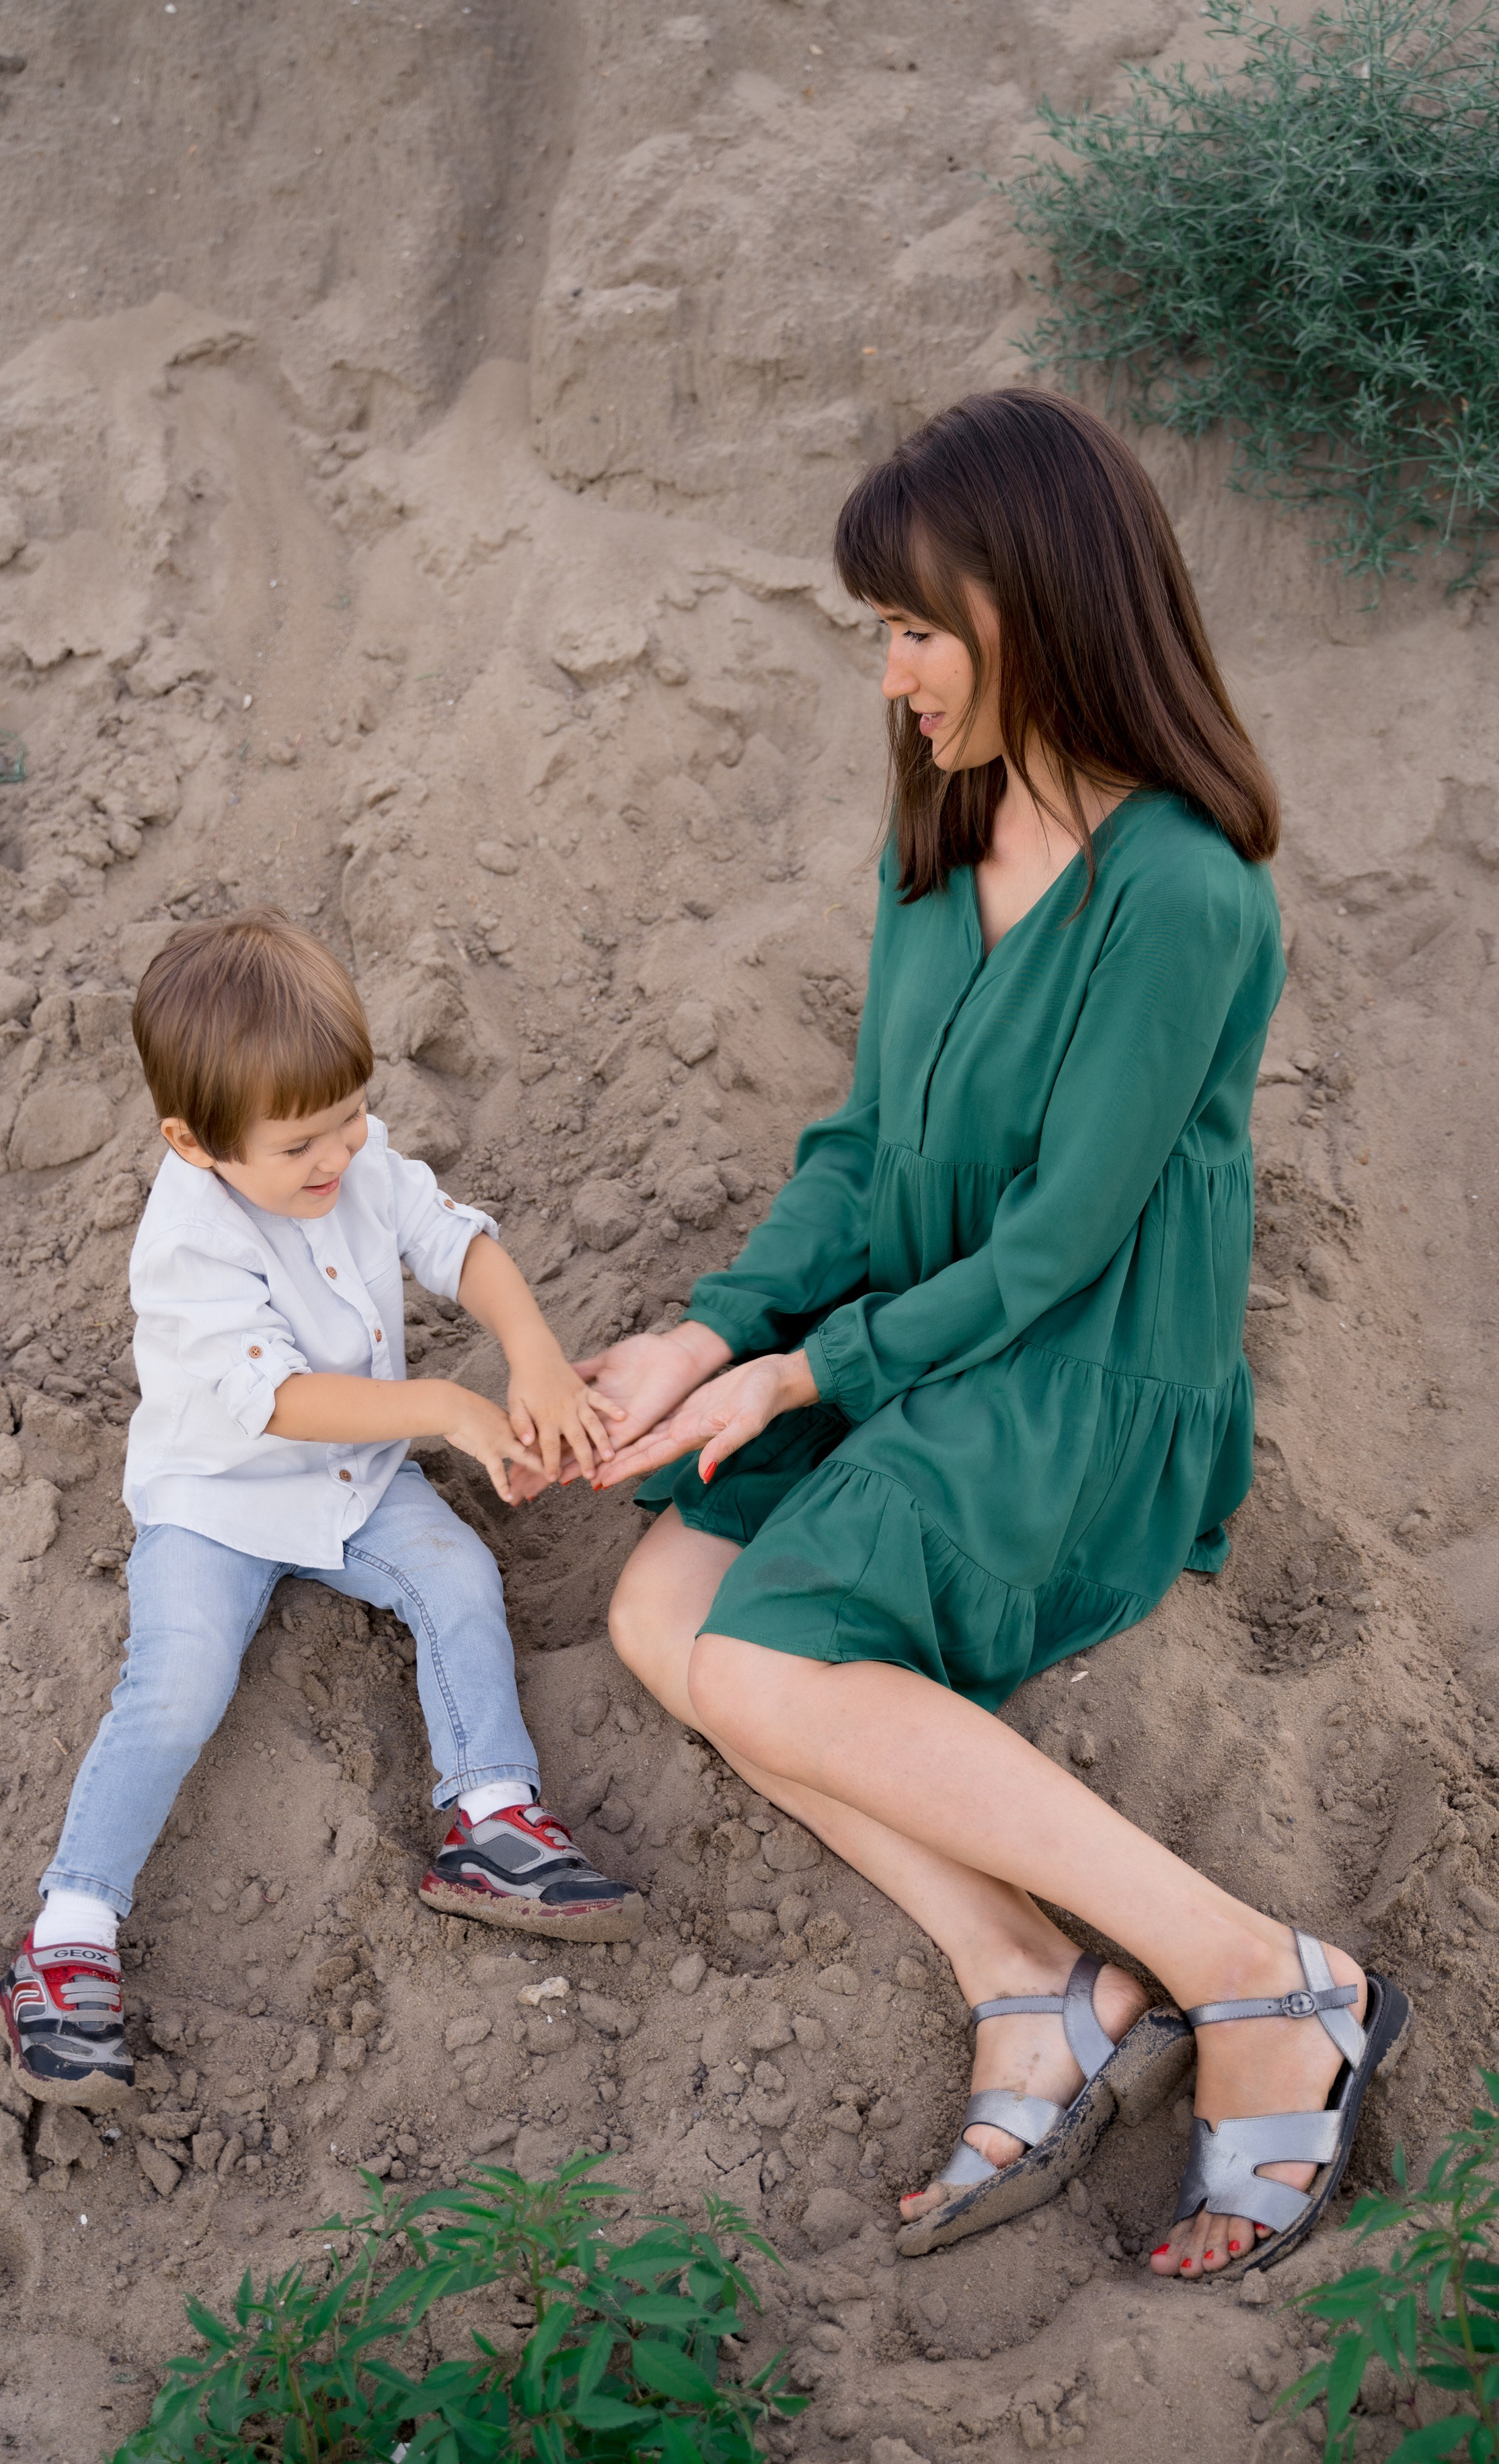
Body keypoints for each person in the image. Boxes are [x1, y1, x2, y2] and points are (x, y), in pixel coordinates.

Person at [583, 390, 1409, 2281]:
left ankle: (1266, 1982)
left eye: (918, 628)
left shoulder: (1186, 894)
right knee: (656, 1616)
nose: (894, 677)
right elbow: (867, 1147)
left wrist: (805, 1372)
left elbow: (1056, 1253)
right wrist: (702, 1334)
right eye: (883, 631)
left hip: (1082, 1381)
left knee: (771, 1666)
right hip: (924, 1335)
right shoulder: (942, 835)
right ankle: (1032, 1983)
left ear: (1041, 606)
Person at [0, 909, 640, 2110]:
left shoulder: (351, 1154)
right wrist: (448, 1403)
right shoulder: (188, 1242)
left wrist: (534, 1354)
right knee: (178, 1682)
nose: (338, 1157)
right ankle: (67, 1936)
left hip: (357, 1478)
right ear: (192, 1143)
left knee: (457, 1579)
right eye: (302, 1145)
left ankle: (490, 1813)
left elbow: (457, 1244)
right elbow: (271, 1403)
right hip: (220, 1497)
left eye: (350, 1118)